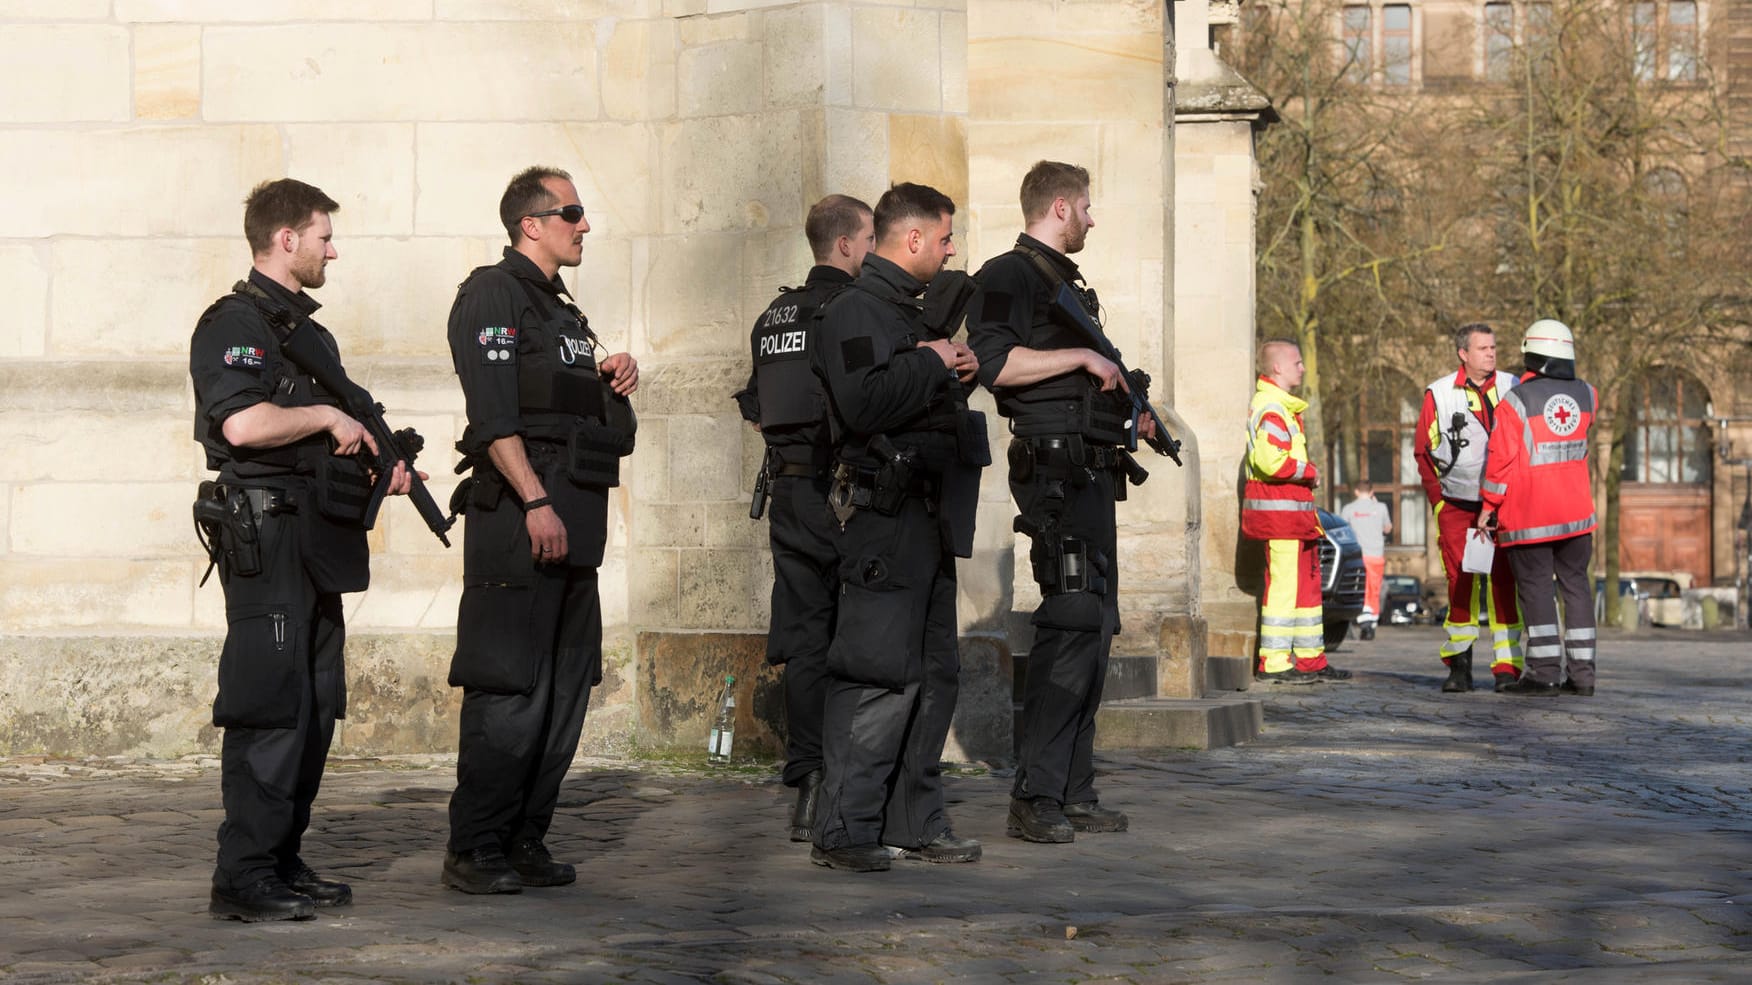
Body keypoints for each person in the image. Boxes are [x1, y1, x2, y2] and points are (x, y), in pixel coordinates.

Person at [190, 178, 416, 921]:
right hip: (267, 530)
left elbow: (324, 431)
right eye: (323, 236)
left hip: (315, 533)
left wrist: (379, 462)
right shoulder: (235, 322)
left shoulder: (307, 332)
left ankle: (281, 857)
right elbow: (244, 427)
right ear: (285, 239)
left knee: (316, 704)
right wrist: (321, 413)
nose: (332, 249)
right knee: (271, 702)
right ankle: (243, 873)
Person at [442, 166, 639, 894]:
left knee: (563, 690)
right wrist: (533, 500)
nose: (584, 225)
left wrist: (611, 376)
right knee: (510, 685)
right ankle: (476, 844)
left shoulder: (563, 315)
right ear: (532, 222)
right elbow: (492, 418)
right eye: (572, 212)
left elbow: (584, 423)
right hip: (523, 520)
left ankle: (525, 835)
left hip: (574, 522)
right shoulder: (494, 294)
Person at [808, 182, 985, 872]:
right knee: (875, 671)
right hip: (883, 518)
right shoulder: (854, 309)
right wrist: (930, 360)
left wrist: (953, 370)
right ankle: (844, 828)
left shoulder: (907, 313)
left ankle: (914, 817)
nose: (950, 250)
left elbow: (913, 392)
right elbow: (862, 402)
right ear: (912, 239)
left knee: (934, 671)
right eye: (944, 238)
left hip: (928, 515)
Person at [967, 160, 1144, 844]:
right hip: (1053, 469)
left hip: (1091, 468)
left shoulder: (1066, 285)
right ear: (1062, 207)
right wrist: (1080, 361)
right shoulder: (1010, 273)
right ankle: (1035, 795)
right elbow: (994, 363)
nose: (1094, 220)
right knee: (1069, 624)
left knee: (1094, 633)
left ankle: (1073, 787)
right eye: (1089, 207)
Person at [732, 194, 875, 841]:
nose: (874, 250)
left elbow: (756, 404)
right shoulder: (847, 310)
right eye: (870, 238)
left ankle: (808, 785)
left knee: (805, 643)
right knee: (855, 638)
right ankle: (847, 783)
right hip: (839, 495)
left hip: (786, 496)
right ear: (845, 244)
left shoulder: (774, 314)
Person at [1480, 320, 1598, 697]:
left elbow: (1500, 462)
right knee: (1577, 589)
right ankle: (1583, 677)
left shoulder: (1516, 401)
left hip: (1530, 517)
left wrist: (1488, 505)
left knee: (1536, 591)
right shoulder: (1587, 395)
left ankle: (1544, 672)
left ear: (1531, 352)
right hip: (1577, 515)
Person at [1413, 323, 1525, 693]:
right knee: (1461, 582)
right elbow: (1422, 450)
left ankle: (1508, 667)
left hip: (1505, 504)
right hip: (1457, 505)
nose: (1491, 353)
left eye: (1493, 347)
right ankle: (1459, 666)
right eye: (1483, 348)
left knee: (1504, 583)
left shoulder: (1513, 386)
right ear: (1464, 353)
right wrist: (1438, 501)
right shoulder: (1441, 393)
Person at [1244, 339, 1349, 685]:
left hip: (1294, 515)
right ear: (1277, 368)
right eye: (1297, 362)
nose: (1303, 368)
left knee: (1306, 587)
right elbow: (1269, 461)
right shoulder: (1272, 406)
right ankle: (1274, 661)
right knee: (1285, 587)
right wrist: (1310, 471)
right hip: (1281, 516)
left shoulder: (1282, 406)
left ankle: (1310, 659)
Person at [1338, 480, 1393, 640]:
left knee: (1361, 590)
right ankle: (1371, 624)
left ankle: (1364, 622)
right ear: (1371, 492)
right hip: (1376, 554)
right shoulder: (1381, 507)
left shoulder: (1348, 509)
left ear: (1356, 491)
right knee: (1374, 590)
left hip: (1357, 556)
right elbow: (1387, 528)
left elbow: (1343, 531)